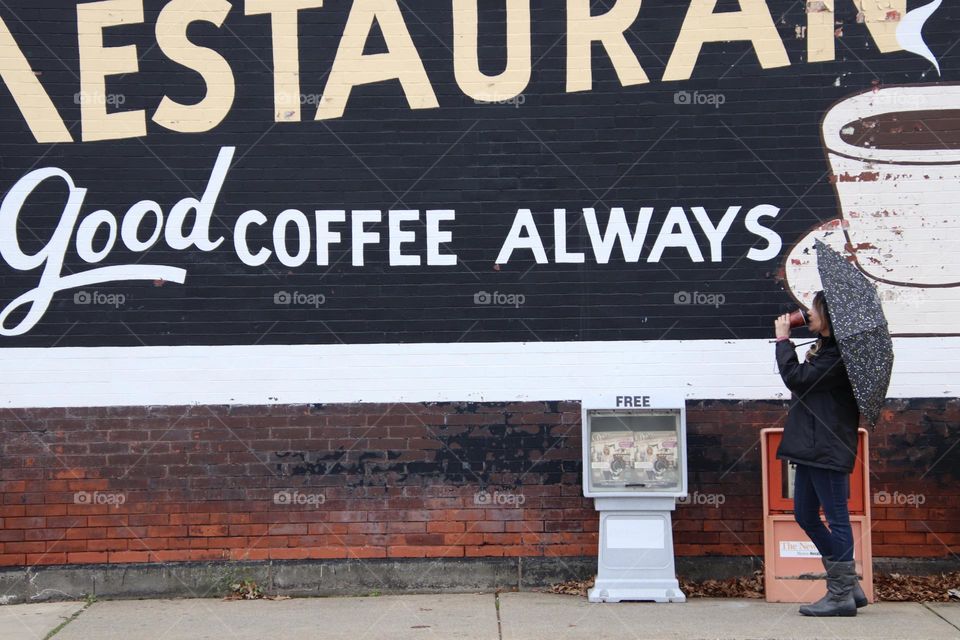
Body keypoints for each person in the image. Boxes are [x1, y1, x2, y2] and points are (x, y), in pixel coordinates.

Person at [774, 291, 866, 617]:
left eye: (813, 309)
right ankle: (848, 582)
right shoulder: (824, 348)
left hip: (827, 446)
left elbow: (796, 379)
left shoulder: (839, 356)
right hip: (810, 445)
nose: (807, 314)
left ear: (828, 315)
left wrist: (783, 340)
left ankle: (840, 594)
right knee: (805, 515)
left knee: (837, 518)